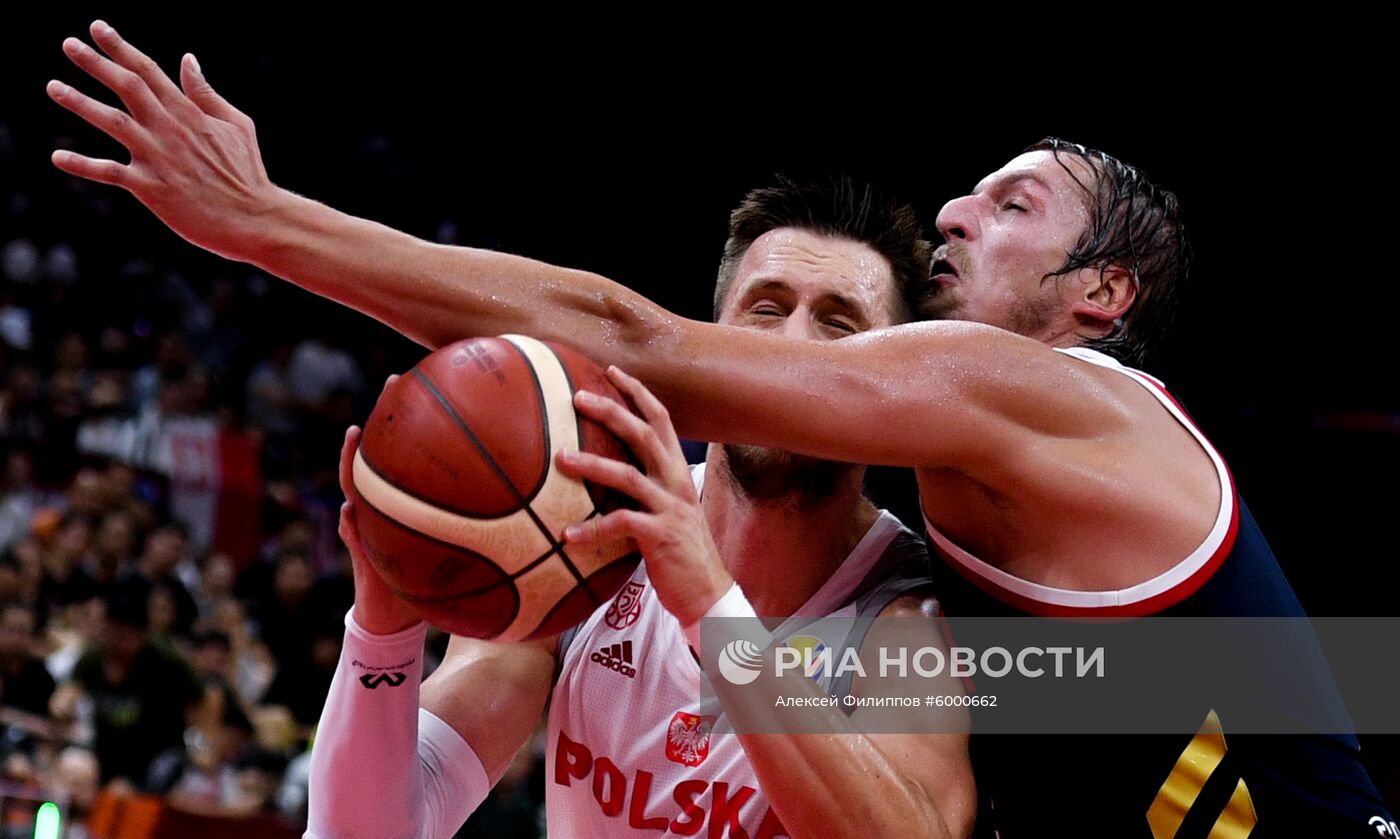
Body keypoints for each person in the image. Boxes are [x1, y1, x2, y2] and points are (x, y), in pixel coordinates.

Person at [46, 21, 1392, 837]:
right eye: (765, 313)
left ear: (1102, 295)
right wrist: (387, 617)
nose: (955, 215)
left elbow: (631, 341)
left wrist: (265, 224)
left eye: (1013, 205)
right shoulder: (603, 558)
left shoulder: (1023, 444)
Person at [305, 175, 974, 838]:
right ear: (708, 345)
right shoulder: (585, 536)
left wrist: (714, 612)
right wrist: (384, 628)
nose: (792, 347)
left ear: (887, 389)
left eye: (839, 323)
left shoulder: (919, 617)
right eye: (766, 310)